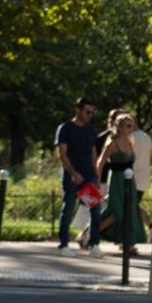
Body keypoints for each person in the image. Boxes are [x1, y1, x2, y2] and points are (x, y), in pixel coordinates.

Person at [54, 98, 100, 252]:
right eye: (87, 111)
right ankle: (64, 244)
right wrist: (73, 173)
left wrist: (96, 176)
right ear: (78, 110)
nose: (90, 115)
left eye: (92, 113)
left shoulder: (90, 130)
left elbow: (94, 154)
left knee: (95, 209)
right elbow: (62, 154)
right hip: (72, 177)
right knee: (68, 209)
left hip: (88, 177)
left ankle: (94, 244)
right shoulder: (65, 129)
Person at [100, 114, 146, 254]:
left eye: (132, 125)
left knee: (130, 211)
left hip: (129, 181)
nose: (131, 128)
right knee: (116, 212)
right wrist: (97, 181)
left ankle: (128, 244)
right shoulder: (112, 143)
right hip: (116, 180)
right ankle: (90, 234)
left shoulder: (130, 142)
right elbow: (100, 162)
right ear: (119, 127)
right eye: (128, 125)